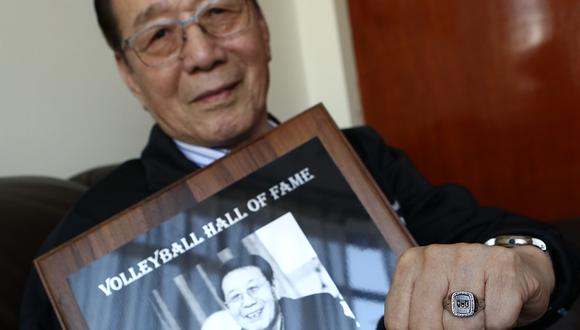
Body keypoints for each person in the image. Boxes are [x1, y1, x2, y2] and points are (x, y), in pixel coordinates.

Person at [19, 0, 579, 329]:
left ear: (262, 30)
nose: (203, 53)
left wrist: (525, 263)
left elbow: (510, 237)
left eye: (220, 11)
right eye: (159, 35)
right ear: (129, 75)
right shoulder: (81, 253)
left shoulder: (361, 154)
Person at [205, 253, 356, 330]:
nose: (248, 302)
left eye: (253, 288)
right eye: (236, 297)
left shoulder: (319, 307)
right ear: (227, 308)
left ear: (274, 288)